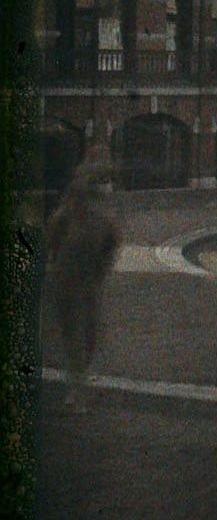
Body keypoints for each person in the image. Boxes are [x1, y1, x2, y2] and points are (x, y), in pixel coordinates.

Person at [45, 148, 122, 382]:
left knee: (88, 330)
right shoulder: (66, 216)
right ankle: (77, 374)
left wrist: (102, 268)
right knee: (72, 329)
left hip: (87, 278)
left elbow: (111, 244)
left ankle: (79, 372)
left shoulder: (102, 221)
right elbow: (53, 238)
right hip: (68, 276)